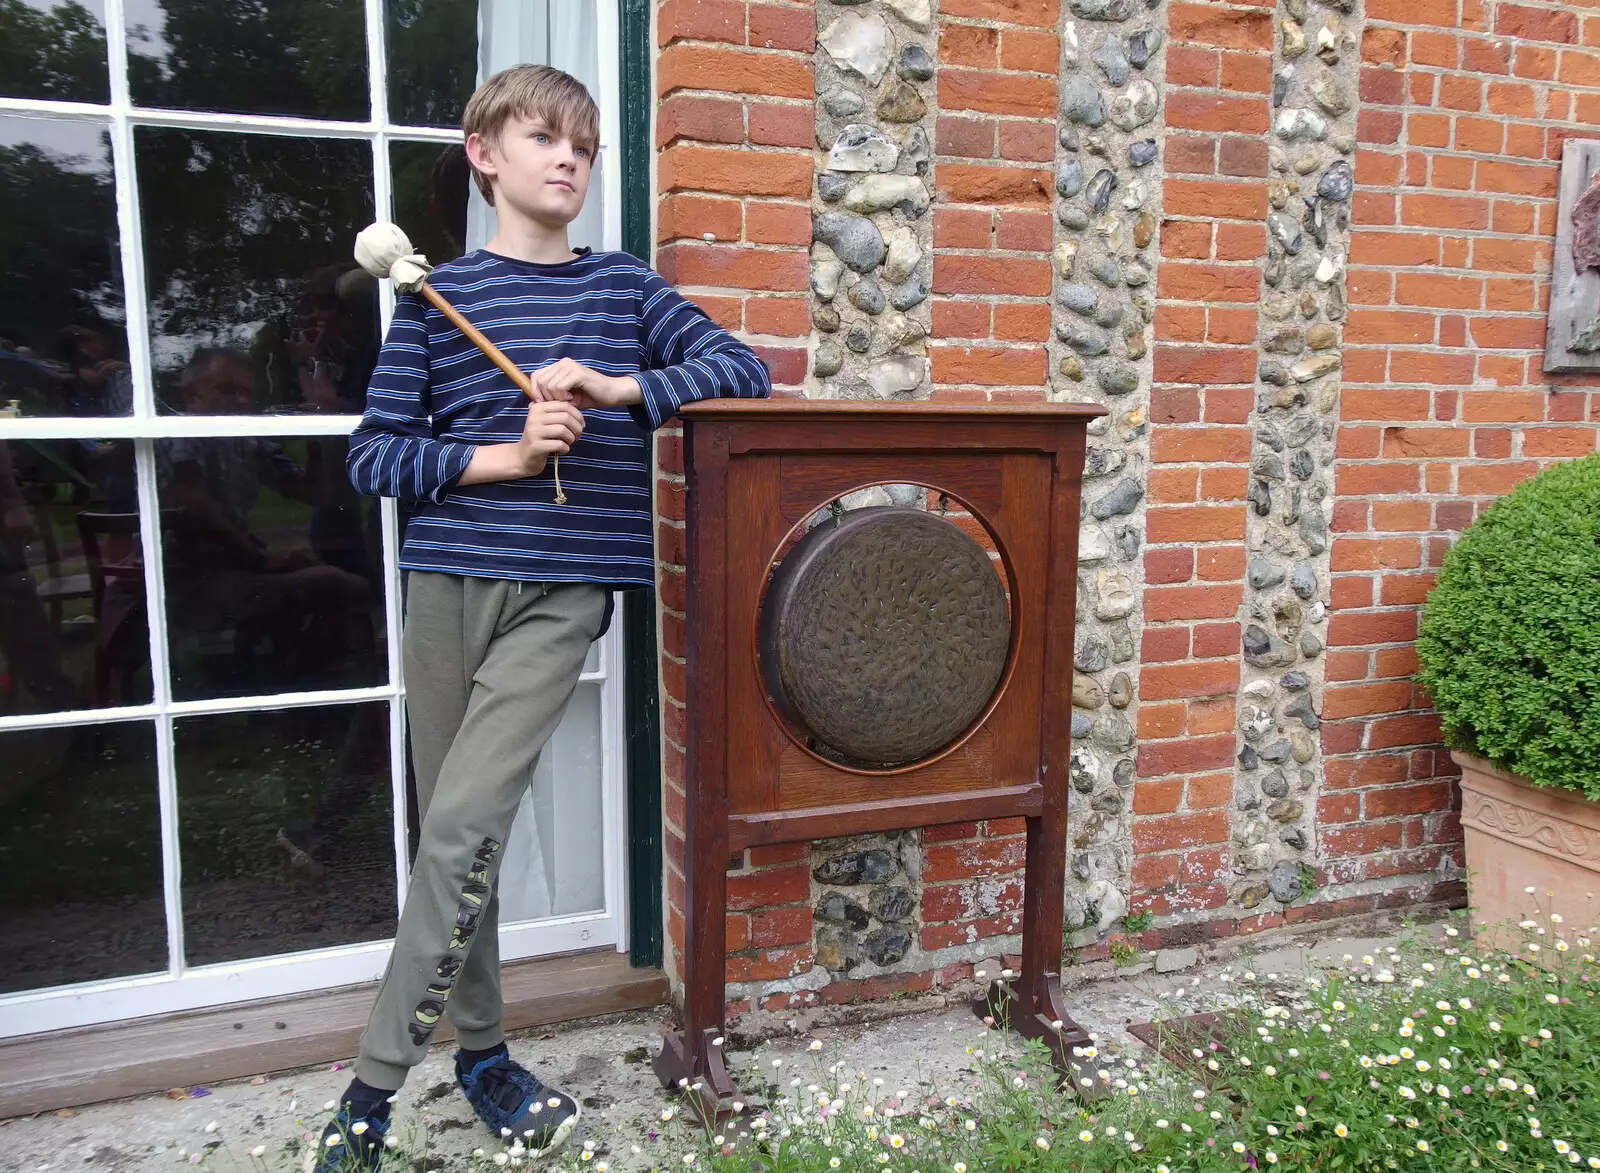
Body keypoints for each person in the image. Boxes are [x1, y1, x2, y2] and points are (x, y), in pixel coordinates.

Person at [320, 65, 769, 1169]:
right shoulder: (436, 299)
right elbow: (374, 456)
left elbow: (741, 367)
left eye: (582, 144)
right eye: (541, 138)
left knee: (465, 825)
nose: (567, 158)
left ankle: (368, 1096)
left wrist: (621, 391)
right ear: (485, 155)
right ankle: (482, 1055)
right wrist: (505, 456)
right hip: (445, 591)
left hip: (563, 593)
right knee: (449, 841)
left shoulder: (621, 289)